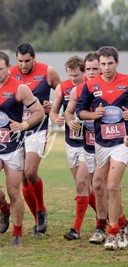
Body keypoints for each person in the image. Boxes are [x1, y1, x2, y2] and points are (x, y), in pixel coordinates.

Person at [0, 51, 45, 245]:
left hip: (13, 147)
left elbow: (39, 112)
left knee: (14, 191)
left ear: (8, 68)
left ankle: (17, 233)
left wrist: (23, 126)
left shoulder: (20, 88)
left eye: (0, 69)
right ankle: (4, 209)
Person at [76, 46, 128, 251]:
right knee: (101, 185)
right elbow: (80, 112)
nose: (106, 68)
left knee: (113, 186)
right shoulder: (91, 85)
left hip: (122, 142)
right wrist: (93, 115)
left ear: (117, 63)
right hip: (100, 143)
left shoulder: (126, 82)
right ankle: (123, 225)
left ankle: (112, 232)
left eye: (110, 64)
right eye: (103, 64)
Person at [9, 43, 61, 235]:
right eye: (20, 61)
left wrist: (52, 105)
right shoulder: (10, 73)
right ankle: (37, 219)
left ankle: (41, 210)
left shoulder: (48, 71)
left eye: (27, 61)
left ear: (34, 58)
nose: (23, 65)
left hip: (37, 128)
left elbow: (65, 93)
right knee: (22, 178)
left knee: (30, 172)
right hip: (16, 130)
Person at [63, 52, 101, 241]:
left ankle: (116, 223)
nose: (92, 73)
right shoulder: (78, 90)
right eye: (89, 69)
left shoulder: (116, 87)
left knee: (106, 187)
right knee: (82, 183)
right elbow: (69, 112)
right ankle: (76, 229)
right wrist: (70, 121)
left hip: (110, 145)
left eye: (96, 69)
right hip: (87, 145)